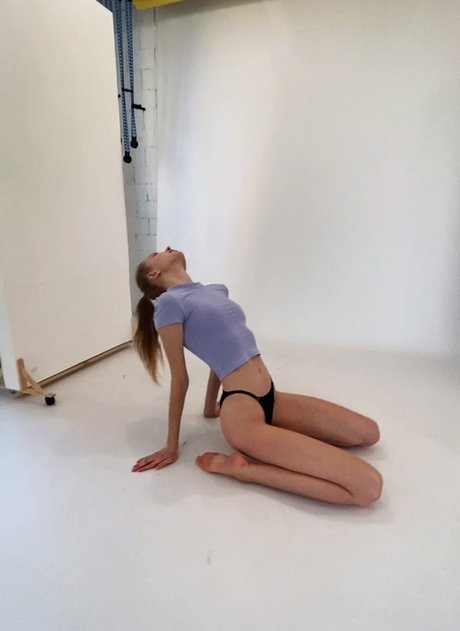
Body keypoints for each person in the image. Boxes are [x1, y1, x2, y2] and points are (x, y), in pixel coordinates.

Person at [132, 246, 383, 507]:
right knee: (368, 487)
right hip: (243, 415)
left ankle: (289, 448)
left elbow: (219, 350)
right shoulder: (169, 304)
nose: (166, 248)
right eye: (155, 254)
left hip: (272, 397)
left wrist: (209, 407)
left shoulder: (216, 290)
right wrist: (171, 447)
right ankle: (243, 471)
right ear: (154, 274)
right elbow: (180, 378)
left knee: (369, 433)